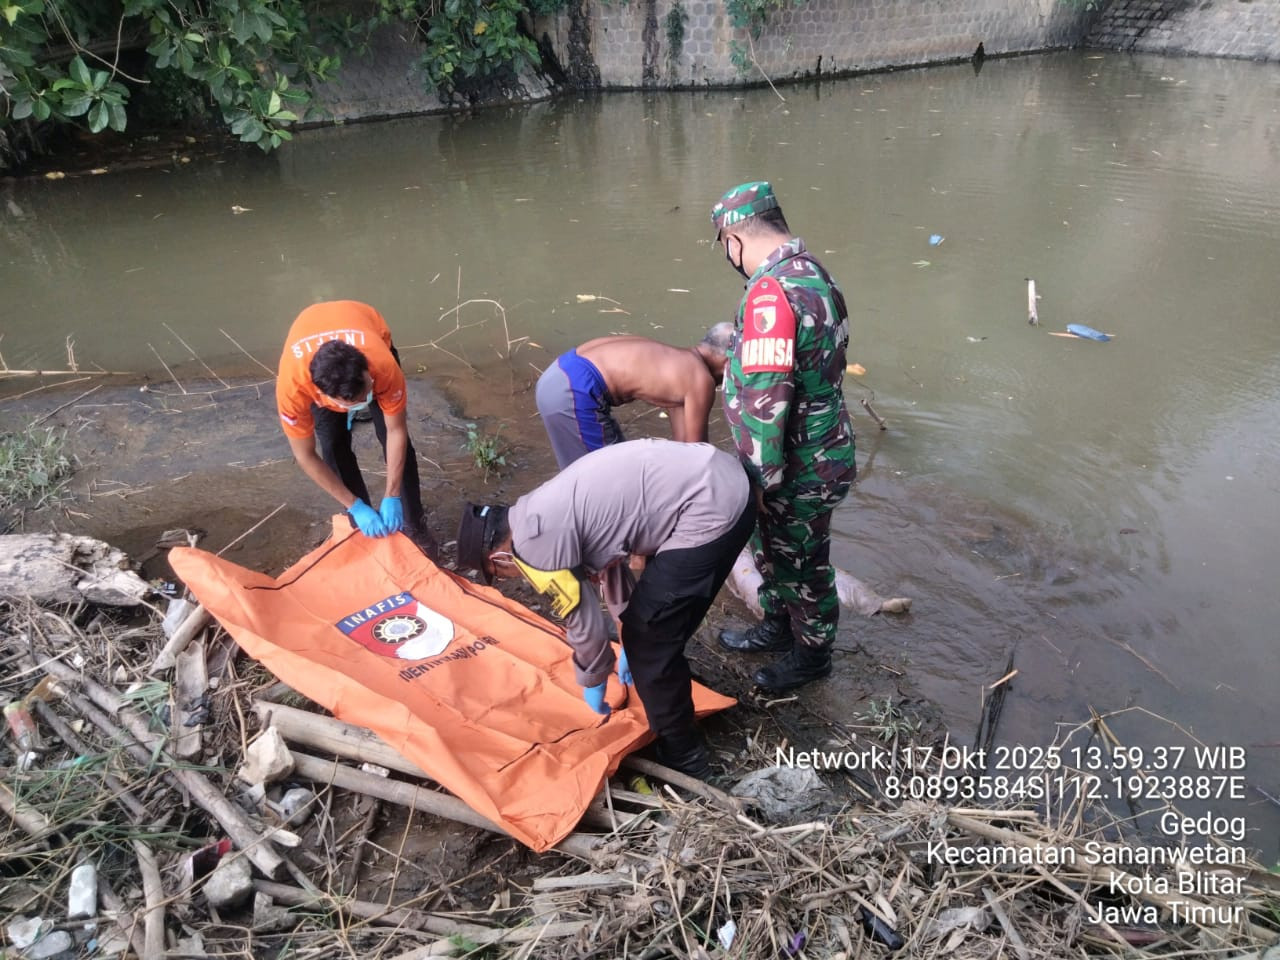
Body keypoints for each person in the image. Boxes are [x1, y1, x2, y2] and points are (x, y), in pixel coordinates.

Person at [455, 439, 755, 779]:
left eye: (501, 575)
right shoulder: (533, 510)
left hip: (712, 509)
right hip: (721, 477)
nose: (513, 579)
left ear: (499, 558)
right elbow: (610, 570)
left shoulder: (533, 548)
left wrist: (594, 676)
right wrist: (626, 636)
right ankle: (667, 684)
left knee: (651, 640)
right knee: (649, 625)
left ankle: (685, 756)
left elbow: (585, 624)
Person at [709, 181, 857, 694]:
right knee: (775, 550)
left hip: (796, 465)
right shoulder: (814, 273)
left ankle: (812, 655)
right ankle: (777, 625)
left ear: (734, 240)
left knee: (802, 561)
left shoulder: (770, 293)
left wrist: (758, 481)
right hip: (822, 447)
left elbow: (768, 403)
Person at [276, 300, 437, 556]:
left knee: (390, 436)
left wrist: (392, 494)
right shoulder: (294, 390)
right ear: (322, 396)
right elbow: (305, 455)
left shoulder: (381, 365)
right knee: (332, 443)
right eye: (356, 402)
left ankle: (415, 525)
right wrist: (354, 506)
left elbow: (396, 430)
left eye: (367, 393)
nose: (365, 403)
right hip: (315, 368)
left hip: (364, 327)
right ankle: (360, 523)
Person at [535, 327, 734, 469]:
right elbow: (698, 458)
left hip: (561, 371)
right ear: (728, 363)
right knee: (602, 482)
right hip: (575, 388)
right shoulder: (700, 380)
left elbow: (682, 450)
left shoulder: (681, 364)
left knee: (602, 472)